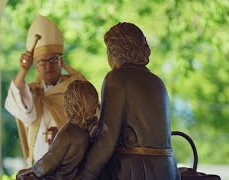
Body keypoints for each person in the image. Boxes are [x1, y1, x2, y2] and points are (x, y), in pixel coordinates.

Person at [75, 22, 180, 179]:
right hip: (167, 171)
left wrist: (84, 174)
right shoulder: (158, 82)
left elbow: (106, 139)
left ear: (115, 52)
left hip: (133, 171)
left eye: (108, 52)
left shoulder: (116, 78)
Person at [5, 15, 85, 166]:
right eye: (42, 61)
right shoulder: (33, 94)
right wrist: (23, 71)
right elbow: (21, 109)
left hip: (69, 170)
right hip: (38, 170)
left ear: (61, 61)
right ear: (36, 66)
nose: (48, 66)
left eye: (53, 60)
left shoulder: (74, 91)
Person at [16, 80, 99, 180]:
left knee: (21, 176)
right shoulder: (86, 131)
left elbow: (48, 162)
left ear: (70, 105)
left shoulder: (68, 132)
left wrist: (32, 170)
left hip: (58, 177)